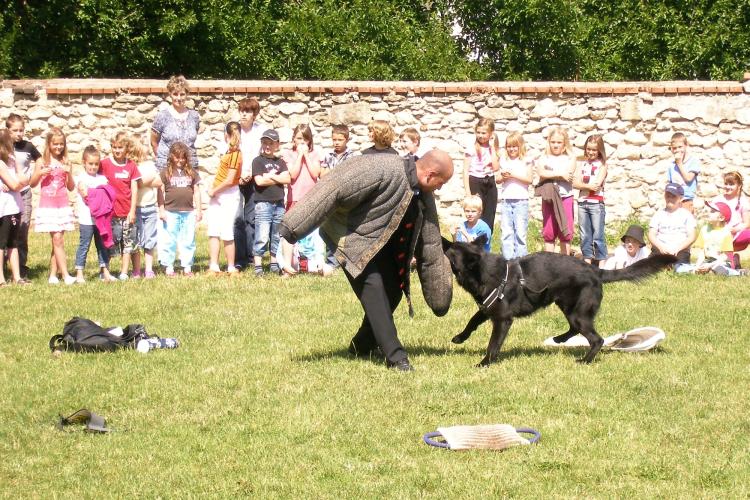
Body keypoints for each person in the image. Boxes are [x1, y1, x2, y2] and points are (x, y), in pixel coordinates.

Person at [279, 150, 455, 372]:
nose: (440, 188)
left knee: (392, 290)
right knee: (374, 290)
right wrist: (293, 225)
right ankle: (396, 357)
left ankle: (361, 345)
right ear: (430, 175)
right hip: (349, 236)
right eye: (441, 183)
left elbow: (430, 243)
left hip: (377, 242)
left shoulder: (423, 194)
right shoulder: (381, 169)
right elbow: (334, 186)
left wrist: (439, 295)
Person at [28, 127, 76, 285]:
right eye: (55, 144)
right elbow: (33, 183)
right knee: (57, 238)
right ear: (49, 144)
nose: (58, 147)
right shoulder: (42, 161)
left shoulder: (66, 161)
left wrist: (68, 172)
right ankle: (66, 275)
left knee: (58, 240)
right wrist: (40, 173)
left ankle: (53, 275)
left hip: (62, 205)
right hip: (48, 206)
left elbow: (70, 187)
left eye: (61, 144)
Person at [99, 131, 141, 280]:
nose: (117, 150)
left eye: (120, 147)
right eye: (114, 147)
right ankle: (105, 272)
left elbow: (134, 188)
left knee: (128, 244)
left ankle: (124, 272)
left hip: (127, 213)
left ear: (127, 148)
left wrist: (132, 210)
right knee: (110, 244)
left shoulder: (131, 166)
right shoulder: (104, 164)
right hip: (111, 213)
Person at [73, 146, 116, 283]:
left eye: (96, 164)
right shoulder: (81, 177)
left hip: (101, 220)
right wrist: (98, 194)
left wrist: (95, 193)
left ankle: (105, 271)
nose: (93, 167)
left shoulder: (102, 179)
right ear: (84, 163)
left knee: (102, 246)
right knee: (84, 245)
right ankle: (79, 273)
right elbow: (85, 193)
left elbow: (108, 195)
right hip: (86, 219)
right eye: (90, 163)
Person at [6, 113, 40, 280]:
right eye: (15, 130)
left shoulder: (28, 146)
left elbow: (40, 160)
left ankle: (20, 268)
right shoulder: (3, 147)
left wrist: (33, 179)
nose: (19, 133)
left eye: (21, 130)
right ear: (7, 130)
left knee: (22, 231)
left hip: (24, 193)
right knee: (5, 233)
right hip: (5, 195)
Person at [159, 142, 201, 277]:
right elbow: (160, 191)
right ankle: (169, 267)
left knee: (188, 239)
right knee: (169, 240)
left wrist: (199, 209)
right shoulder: (165, 173)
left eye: (183, 157)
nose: (180, 160)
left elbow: (197, 191)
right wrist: (161, 209)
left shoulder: (191, 172)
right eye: (177, 157)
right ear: (171, 157)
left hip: (188, 211)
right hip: (170, 211)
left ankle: (187, 266)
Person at [252, 129, 291, 276]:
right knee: (261, 235)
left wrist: (270, 175)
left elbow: (287, 179)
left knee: (276, 235)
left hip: (279, 203)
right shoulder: (257, 161)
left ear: (277, 145)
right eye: (264, 143)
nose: (267, 146)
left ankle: (274, 262)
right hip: (263, 203)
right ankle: (258, 266)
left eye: (270, 143)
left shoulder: (280, 162)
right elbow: (259, 181)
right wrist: (277, 176)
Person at [207, 122, 242, 276]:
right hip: (218, 193)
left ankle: (231, 267)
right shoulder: (228, 152)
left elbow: (229, 180)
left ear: (226, 134)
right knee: (214, 230)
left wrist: (213, 190)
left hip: (227, 194)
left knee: (227, 231)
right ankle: (214, 266)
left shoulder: (236, 154)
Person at [234, 97, 264, 271]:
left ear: (255, 114)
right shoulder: (233, 129)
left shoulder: (260, 131)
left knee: (251, 218)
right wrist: (238, 175)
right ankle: (239, 259)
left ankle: (252, 256)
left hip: (253, 179)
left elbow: (259, 154)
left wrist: (250, 173)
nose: (244, 114)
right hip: (236, 179)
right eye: (242, 111)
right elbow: (227, 153)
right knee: (237, 218)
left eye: (248, 111)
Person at [537, 126, 576, 255]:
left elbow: (569, 174)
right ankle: (549, 266)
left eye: (559, 142)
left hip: (565, 198)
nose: (555, 145)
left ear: (564, 143)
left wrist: (551, 172)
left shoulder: (570, 157)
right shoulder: (544, 157)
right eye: (553, 142)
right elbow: (541, 173)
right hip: (549, 198)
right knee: (549, 232)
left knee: (565, 231)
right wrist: (560, 173)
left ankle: (565, 265)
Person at [150, 75, 201, 172]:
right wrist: (162, 158)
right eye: (175, 94)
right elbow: (154, 141)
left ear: (187, 94)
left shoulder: (194, 116)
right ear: (170, 94)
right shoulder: (162, 116)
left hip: (189, 166)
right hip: (167, 167)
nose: (179, 98)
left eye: (182, 94)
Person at [573, 134, 608, 266]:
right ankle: (587, 262)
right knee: (585, 235)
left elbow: (596, 185)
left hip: (596, 204)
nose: (591, 152)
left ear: (600, 150)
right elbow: (574, 183)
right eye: (589, 149)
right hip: (582, 202)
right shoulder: (582, 164)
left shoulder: (602, 165)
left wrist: (583, 185)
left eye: (594, 149)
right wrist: (586, 186)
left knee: (598, 234)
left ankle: (601, 264)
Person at [497, 132, 533, 259]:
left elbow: (529, 179)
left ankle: (521, 261)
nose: (511, 149)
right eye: (509, 146)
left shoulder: (526, 160)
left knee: (520, 232)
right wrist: (503, 177)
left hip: (521, 200)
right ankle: (508, 260)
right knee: (506, 232)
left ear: (520, 146)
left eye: (514, 146)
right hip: (506, 200)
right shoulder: (503, 160)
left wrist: (513, 175)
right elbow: (498, 179)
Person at [0, 129, 28, 285]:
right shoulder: (1, 164)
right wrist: (18, 183)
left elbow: (23, 178)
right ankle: (1, 278)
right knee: (1, 243)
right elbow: (17, 184)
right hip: (4, 209)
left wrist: (20, 181)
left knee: (13, 243)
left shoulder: (11, 160)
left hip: (15, 206)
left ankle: (16, 277)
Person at [131, 136, 161, 279]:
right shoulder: (131, 165)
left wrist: (140, 182)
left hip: (149, 207)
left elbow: (158, 181)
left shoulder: (150, 164)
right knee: (136, 240)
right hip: (135, 208)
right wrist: (143, 182)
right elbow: (136, 183)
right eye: (144, 144)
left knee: (150, 239)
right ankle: (136, 270)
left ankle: (148, 269)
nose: (147, 147)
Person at [648, 182, 697, 271]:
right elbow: (651, 234)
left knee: (681, 269)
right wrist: (660, 247)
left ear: (680, 198)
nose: (670, 199)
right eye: (668, 196)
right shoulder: (658, 214)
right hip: (660, 250)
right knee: (647, 268)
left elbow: (692, 236)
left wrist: (678, 248)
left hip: (680, 251)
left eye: (673, 196)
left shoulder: (686, 215)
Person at [463, 118, 500, 236]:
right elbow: (465, 171)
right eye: (478, 132)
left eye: (484, 133)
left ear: (491, 134)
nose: (480, 135)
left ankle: (486, 245)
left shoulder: (492, 149)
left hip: (490, 182)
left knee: (489, 215)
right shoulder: (471, 149)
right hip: (475, 181)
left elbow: (495, 168)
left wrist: (493, 147)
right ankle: (474, 243)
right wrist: (468, 193)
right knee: (476, 215)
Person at [710, 170, 750, 268]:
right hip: (719, 235)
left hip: (736, 234)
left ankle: (730, 257)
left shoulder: (743, 202)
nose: (727, 187)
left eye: (731, 184)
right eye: (726, 184)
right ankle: (733, 259)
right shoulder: (718, 200)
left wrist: (735, 230)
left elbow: (747, 224)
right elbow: (711, 218)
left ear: (739, 185)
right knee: (727, 267)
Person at [690, 201, 742, 275]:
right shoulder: (704, 229)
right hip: (708, 261)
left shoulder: (726, 233)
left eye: (712, 211)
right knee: (692, 268)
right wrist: (697, 266)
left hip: (722, 262)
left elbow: (725, 256)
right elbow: (702, 252)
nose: (708, 213)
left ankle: (738, 272)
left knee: (718, 269)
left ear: (721, 218)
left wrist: (710, 265)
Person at [665, 132, 700, 213]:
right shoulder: (671, 165)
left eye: (680, 147)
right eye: (674, 148)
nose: (677, 150)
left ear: (686, 145)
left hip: (686, 200)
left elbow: (688, 179)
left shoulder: (693, 161)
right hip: (674, 200)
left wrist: (679, 163)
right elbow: (670, 184)